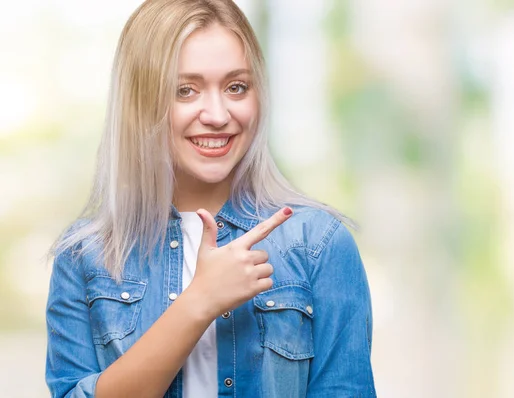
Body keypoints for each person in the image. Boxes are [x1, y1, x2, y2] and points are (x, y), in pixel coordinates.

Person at [45, 0, 375, 397]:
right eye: (186, 90)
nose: (218, 114)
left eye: (236, 87)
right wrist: (198, 302)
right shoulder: (84, 257)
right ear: (140, 102)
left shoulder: (318, 244)